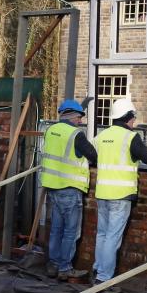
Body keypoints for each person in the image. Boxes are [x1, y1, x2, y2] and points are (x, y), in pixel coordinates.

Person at [92, 97, 147, 285]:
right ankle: (104, 278)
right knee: (112, 237)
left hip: (102, 193)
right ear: (127, 117)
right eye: (133, 117)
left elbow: (92, 157)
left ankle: (97, 268)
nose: (134, 121)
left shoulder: (101, 136)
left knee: (102, 234)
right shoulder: (130, 137)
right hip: (121, 195)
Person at [41, 99, 97, 281]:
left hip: (52, 188)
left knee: (56, 229)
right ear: (72, 116)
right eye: (80, 117)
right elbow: (93, 155)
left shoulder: (51, 130)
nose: (81, 121)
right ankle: (65, 268)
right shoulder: (75, 135)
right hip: (70, 188)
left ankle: (54, 265)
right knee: (71, 231)